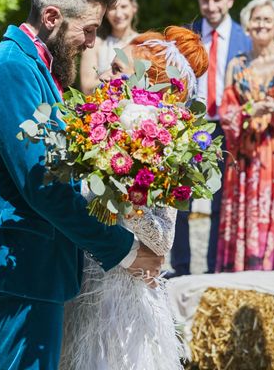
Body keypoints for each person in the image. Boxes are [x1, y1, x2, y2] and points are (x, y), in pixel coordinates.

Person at [0, 0, 164, 370]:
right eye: (87, 30)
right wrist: (123, 249)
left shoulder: (36, 67)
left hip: (28, 262)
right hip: (16, 259)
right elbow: (44, 185)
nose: (90, 42)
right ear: (52, 16)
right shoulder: (11, 69)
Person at [61, 26, 208, 370]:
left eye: (116, 71)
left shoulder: (163, 151)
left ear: (147, 84)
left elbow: (163, 239)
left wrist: (126, 194)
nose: (103, 75)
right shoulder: (98, 130)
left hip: (127, 297)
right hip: (85, 278)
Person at [215, 0, 274, 272]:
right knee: (248, 214)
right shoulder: (237, 64)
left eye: (267, 19)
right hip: (246, 156)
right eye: (256, 19)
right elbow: (226, 112)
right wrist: (247, 111)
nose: (261, 24)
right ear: (246, 24)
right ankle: (245, 272)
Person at [170, 0, 251, 276]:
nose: (211, 5)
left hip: (226, 127)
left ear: (229, 1)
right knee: (181, 199)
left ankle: (216, 267)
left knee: (220, 201)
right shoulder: (186, 35)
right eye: (206, 0)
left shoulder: (245, 39)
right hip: (192, 124)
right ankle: (180, 267)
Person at [80, 0, 138, 94]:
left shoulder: (143, 42)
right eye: (113, 8)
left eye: (124, 7)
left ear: (133, 8)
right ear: (105, 12)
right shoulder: (94, 44)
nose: (118, 14)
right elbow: (86, 87)